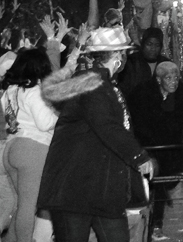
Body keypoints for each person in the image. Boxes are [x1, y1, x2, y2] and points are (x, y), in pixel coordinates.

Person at [38, 26, 156, 242]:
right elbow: (107, 125)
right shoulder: (93, 84)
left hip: (99, 187)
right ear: (118, 55)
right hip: (74, 188)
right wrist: (138, 156)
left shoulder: (99, 83)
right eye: (124, 53)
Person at [127, 61, 183, 239]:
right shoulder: (143, 93)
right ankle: (156, 225)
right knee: (157, 180)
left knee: (167, 181)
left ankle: (156, 222)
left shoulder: (182, 93)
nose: (174, 81)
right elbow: (138, 122)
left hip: (172, 147)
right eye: (169, 78)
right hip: (149, 146)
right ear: (159, 80)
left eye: (176, 77)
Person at [1, 49, 57, 242]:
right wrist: (59, 114)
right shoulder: (33, 91)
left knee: (20, 204)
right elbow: (44, 123)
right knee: (29, 205)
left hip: (12, 147)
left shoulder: (9, 92)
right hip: (33, 149)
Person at [117, 27, 170, 98]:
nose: (153, 48)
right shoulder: (131, 62)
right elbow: (123, 89)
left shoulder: (166, 64)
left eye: (157, 45)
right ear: (143, 44)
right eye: (149, 44)